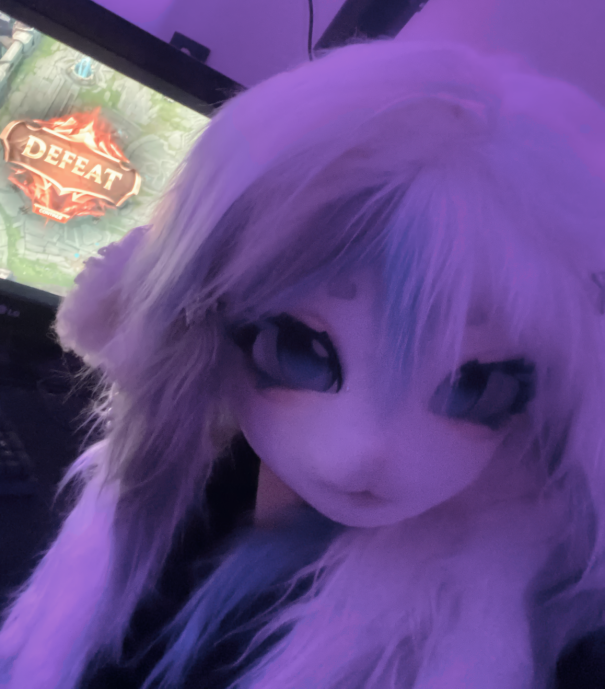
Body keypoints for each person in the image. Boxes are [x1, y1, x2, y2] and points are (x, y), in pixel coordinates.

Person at [2, 37, 605, 689]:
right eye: (298, 349)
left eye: (474, 384)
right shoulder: (183, 472)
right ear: (203, 319)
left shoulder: (539, 625)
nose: (367, 452)